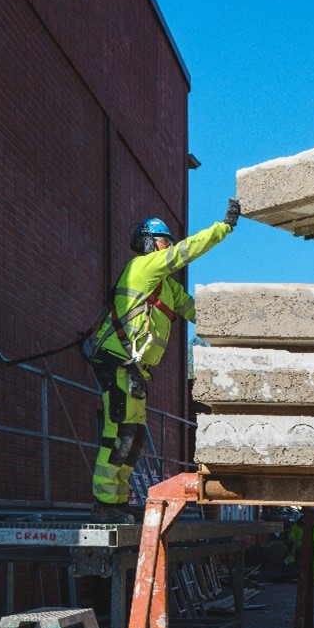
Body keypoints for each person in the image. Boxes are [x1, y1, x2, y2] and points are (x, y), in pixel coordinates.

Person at [89, 199, 241, 522]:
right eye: (163, 241)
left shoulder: (168, 288)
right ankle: (104, 504)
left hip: (135, 370)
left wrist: (238, 331)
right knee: (119, 432)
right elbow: (185, 252)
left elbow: (195, 311)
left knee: (134, 436)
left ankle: (116, 501)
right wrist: (222, 228)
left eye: (169, 242)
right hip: (116, 361)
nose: (168, 247)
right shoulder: (142, 267)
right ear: (148, 242)